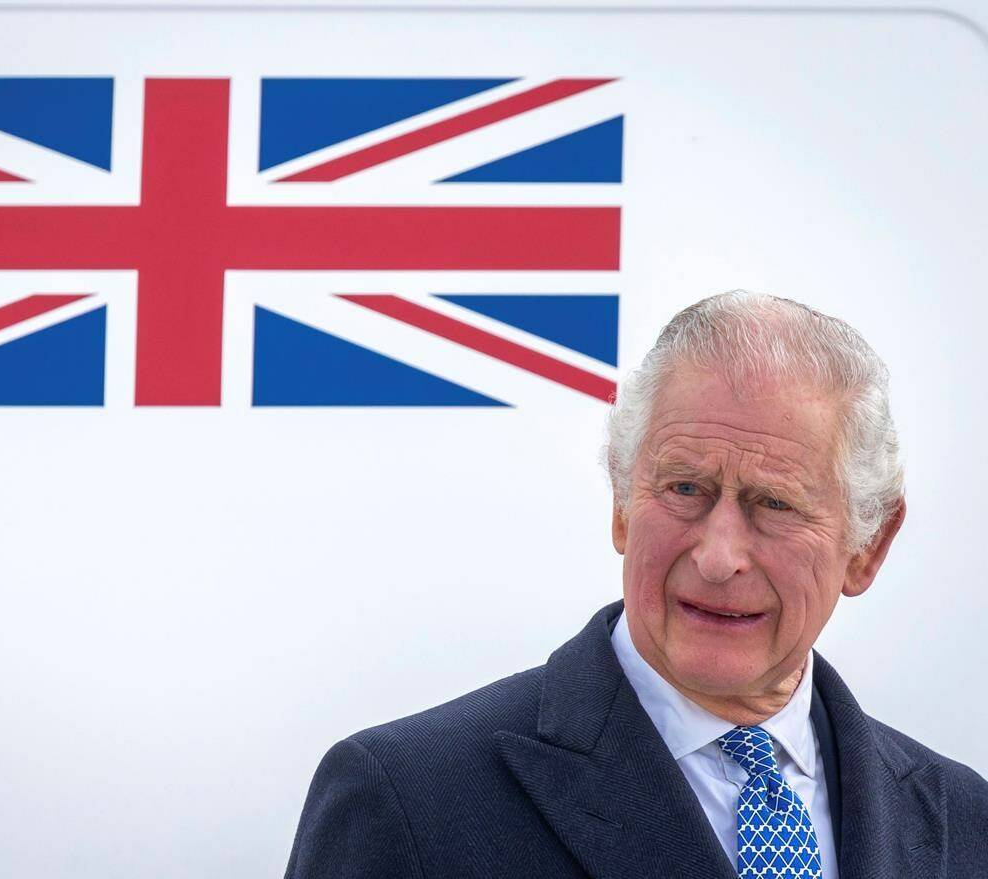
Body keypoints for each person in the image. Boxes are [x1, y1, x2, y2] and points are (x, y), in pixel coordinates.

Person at [283, 291, 988, 879]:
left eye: (773, 504)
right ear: (621, 504)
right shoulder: (410, 798)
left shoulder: (966, 822)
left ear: (868, 546)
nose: (718, 556)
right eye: (685, 488)